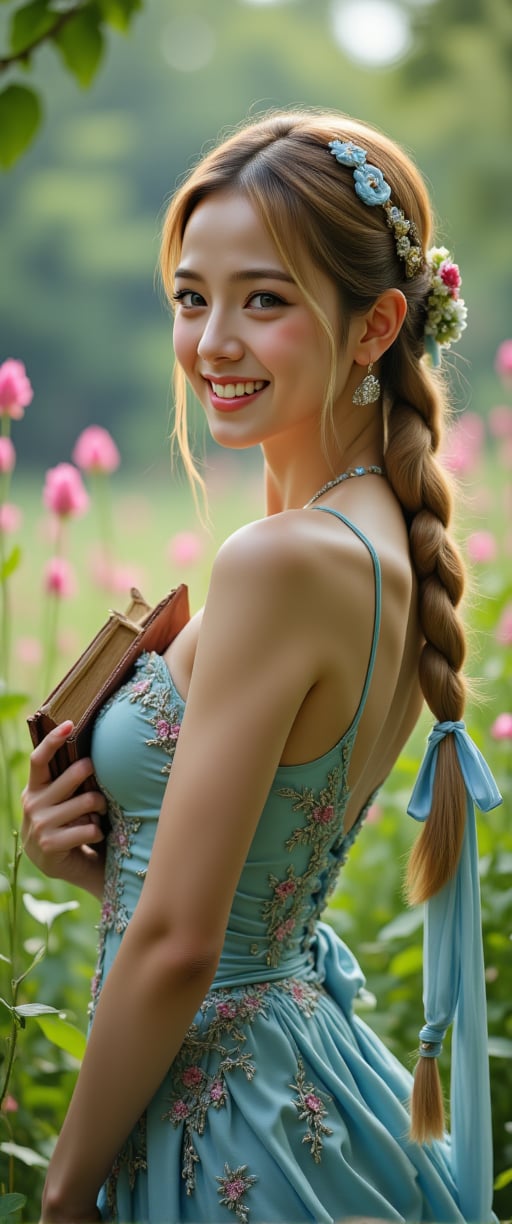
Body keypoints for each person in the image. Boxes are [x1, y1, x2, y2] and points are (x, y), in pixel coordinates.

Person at [22, 110, 501, 1224]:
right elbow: (239, 909)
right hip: (294, 1071)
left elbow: (187, 946)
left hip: (224, 1123)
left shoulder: (282, 562)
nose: (212, 342)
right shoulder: (372, 535)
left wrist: (59, 1193)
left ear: (375, 323)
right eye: (192, 298)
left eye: (265, 299)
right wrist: (95, 869)